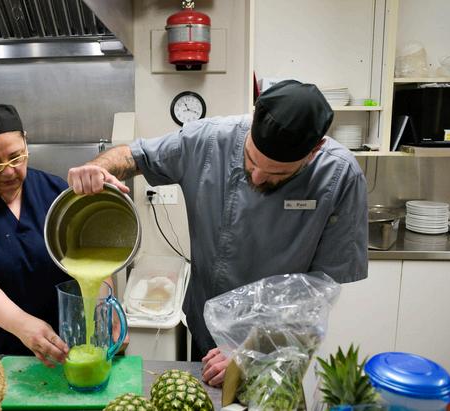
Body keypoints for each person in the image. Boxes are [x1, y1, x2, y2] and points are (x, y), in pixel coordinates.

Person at [68, 80, 368, 386]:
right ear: (253, 119)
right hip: (207, 339)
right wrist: (97, 168)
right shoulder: (209, 140)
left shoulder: (340, 175)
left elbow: (321, 288)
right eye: (251, 160)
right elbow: (134, 156)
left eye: (277, 174)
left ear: (315, 150)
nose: (257, 177)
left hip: (280, 347)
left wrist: (255, 349)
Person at [0, 104, 126, 366]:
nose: (8, 171)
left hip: (60, 352)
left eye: (16, 157)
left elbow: (93, 256)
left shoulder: (55, 192)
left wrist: (106, 308)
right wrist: (23, 325)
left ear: (26, 142)